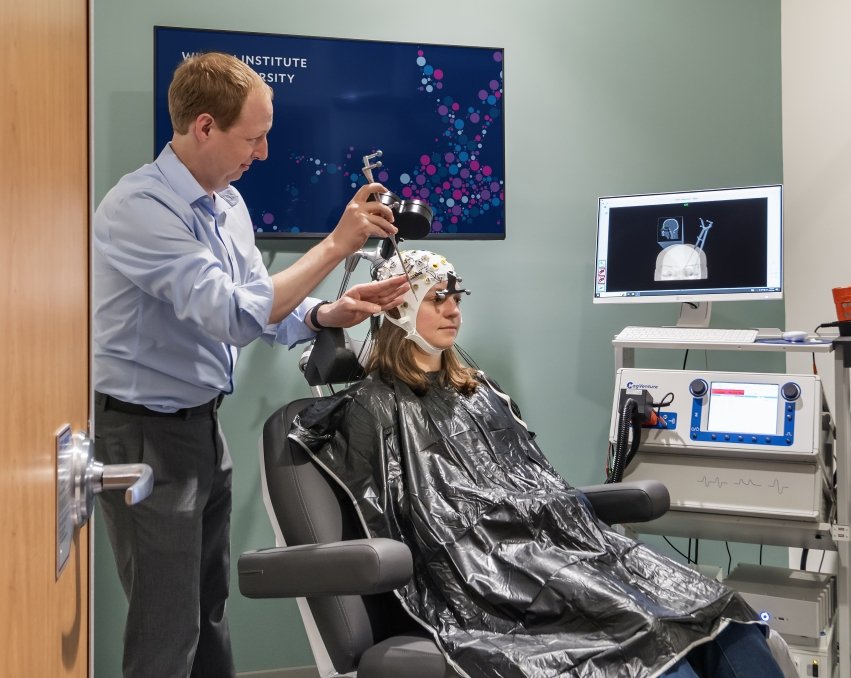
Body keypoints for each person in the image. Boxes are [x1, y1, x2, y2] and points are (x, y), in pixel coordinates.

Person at [290, 250, 794, 678]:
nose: (452, 310)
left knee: (709, 606)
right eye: (435, 299)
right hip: (491, 573)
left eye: (455, 297)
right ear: (398, 309)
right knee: (645, 628)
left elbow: (533, 478)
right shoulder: (375, 407)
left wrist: (555, 527)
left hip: (560, 546)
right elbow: (418, 518)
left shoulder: (479, 390)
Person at [92, 51, 409, 678]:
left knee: (208, 611)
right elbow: (231, 316)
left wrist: (325, 315)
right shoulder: (139, 209)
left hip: (201, 427)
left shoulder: (227, 204)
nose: (262, 153)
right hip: (143, 432)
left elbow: (260, 301)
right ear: (204, 127)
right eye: (254, 137)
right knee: (167, 621)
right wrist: (335, 245)